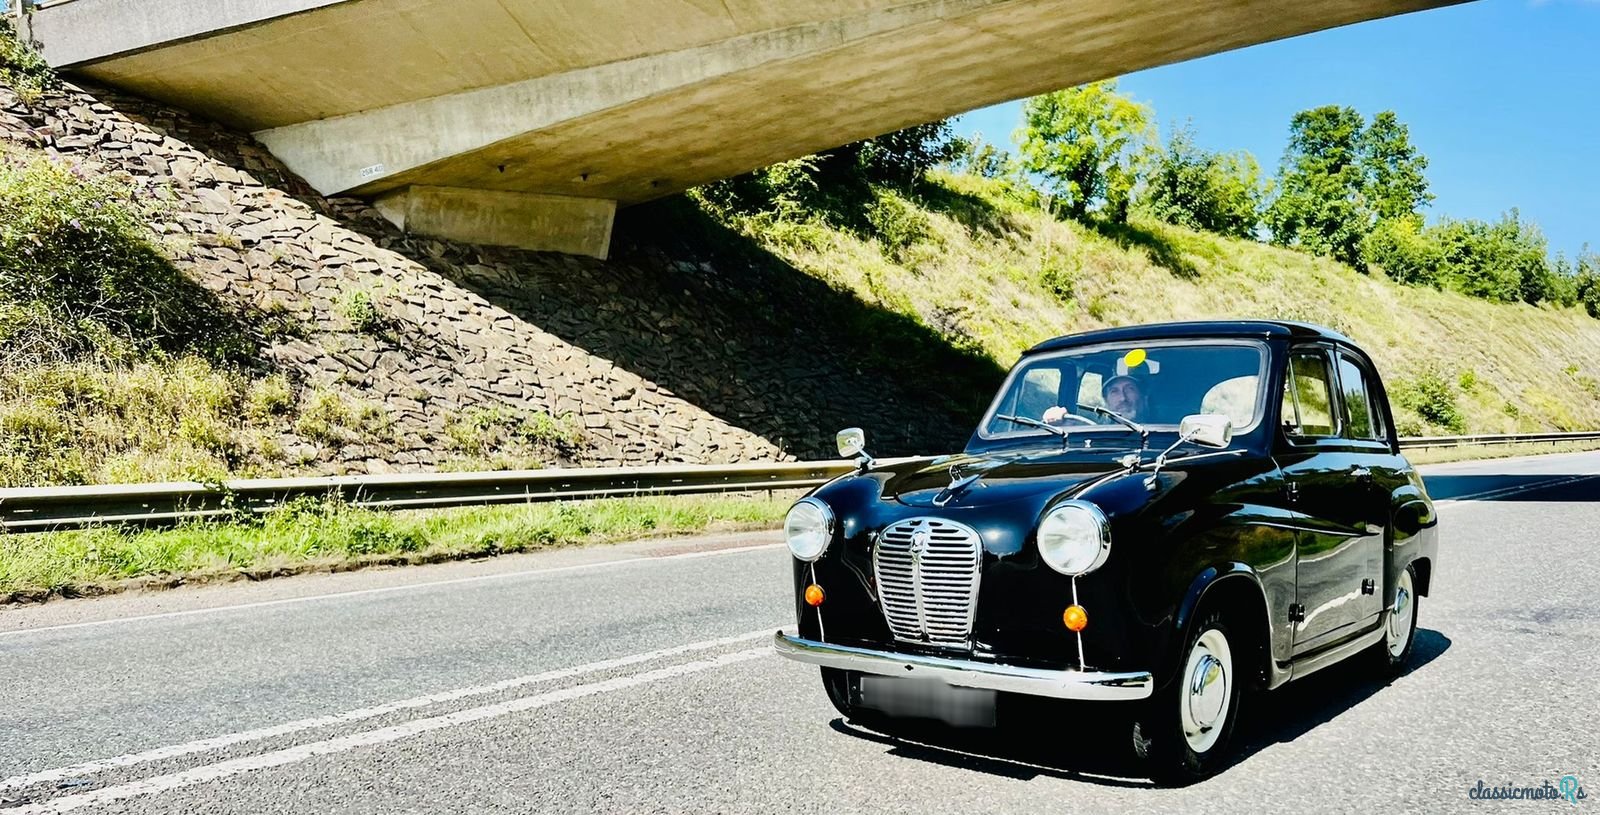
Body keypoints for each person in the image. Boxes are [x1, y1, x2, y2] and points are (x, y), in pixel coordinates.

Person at [1042, 374, 1149, 425]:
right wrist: (1055, 421)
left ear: (1144, 398)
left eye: (1130, 389)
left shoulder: (1161, 433)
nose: (1122, 398)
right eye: (1114, 391)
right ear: (1106, 402)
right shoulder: (1095, 433)